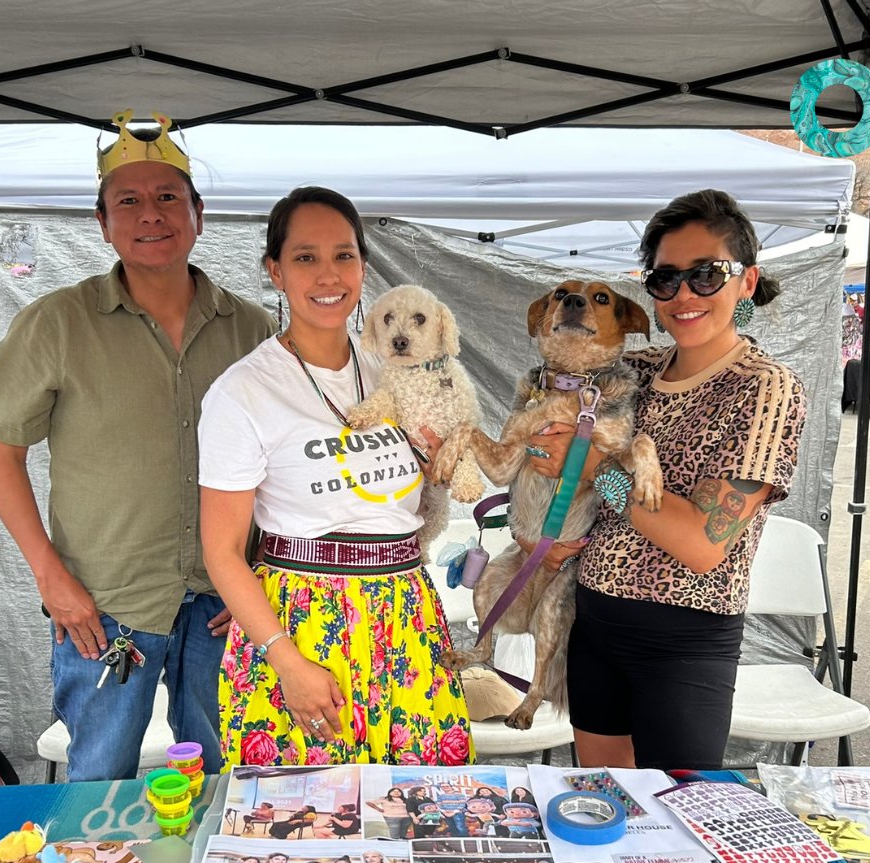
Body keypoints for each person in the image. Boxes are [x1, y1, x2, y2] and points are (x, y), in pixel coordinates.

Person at [0, 111, 275, 782]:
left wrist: (261, 569)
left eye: (168, 197)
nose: (151, 215)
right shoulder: (55, 323)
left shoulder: (250, 329)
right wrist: (52, 579)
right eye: (129, 201)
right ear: (102, 220)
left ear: (198, 212)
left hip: (222, 601)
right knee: (97, 782)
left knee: (224, 779)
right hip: (103, 603)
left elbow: (277, 465)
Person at [526, 189, 806, 772]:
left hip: (683, 644)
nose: (684, 294)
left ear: (746, 282)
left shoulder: (764, 388)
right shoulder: (633, 372)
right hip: (593, 622)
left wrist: (593, 470)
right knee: (605, 809)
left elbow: (702, 543)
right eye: (666, 278)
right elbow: (546, 445)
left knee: (678, 824)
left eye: (707, 275)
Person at [198, 185, 472, 767]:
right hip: (301, 621)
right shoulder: (244, 391)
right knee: (302, 824)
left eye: (343, 255)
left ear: (363, 267)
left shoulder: (398, 367)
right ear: (274, 270)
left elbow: (453, 457)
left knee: (419, 814)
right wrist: (285, 659)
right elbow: (222, 551)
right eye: (305, 257)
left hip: (405, 611)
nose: (328, 275)